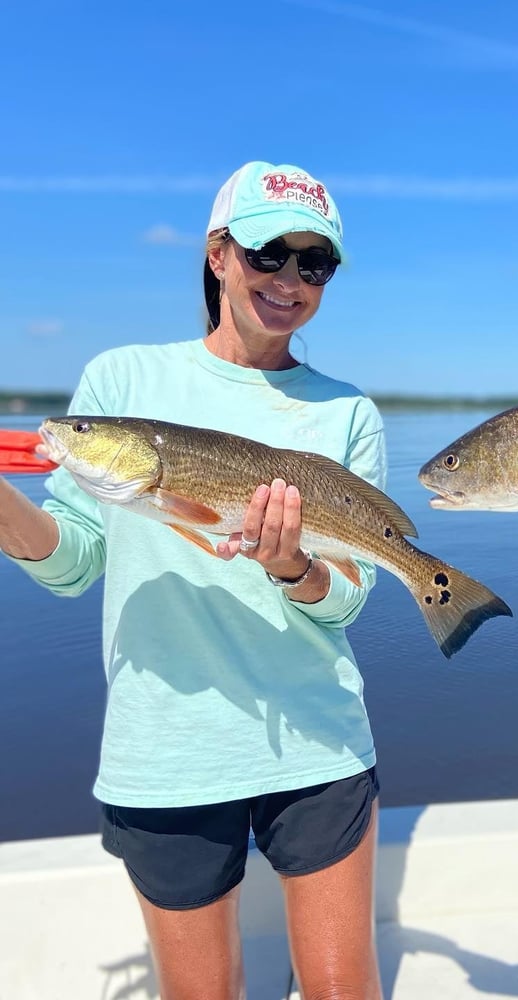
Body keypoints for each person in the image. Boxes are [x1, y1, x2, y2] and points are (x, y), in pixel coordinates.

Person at [0, 161, 385, 999]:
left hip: (317, 742)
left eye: (313, 262)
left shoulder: (346, 411)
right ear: (218, 254)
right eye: (268, 253)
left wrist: (293, 564)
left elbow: (350, 595)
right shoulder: (121, 381)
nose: (289, 280)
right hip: (165, 748)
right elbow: (73, 564)